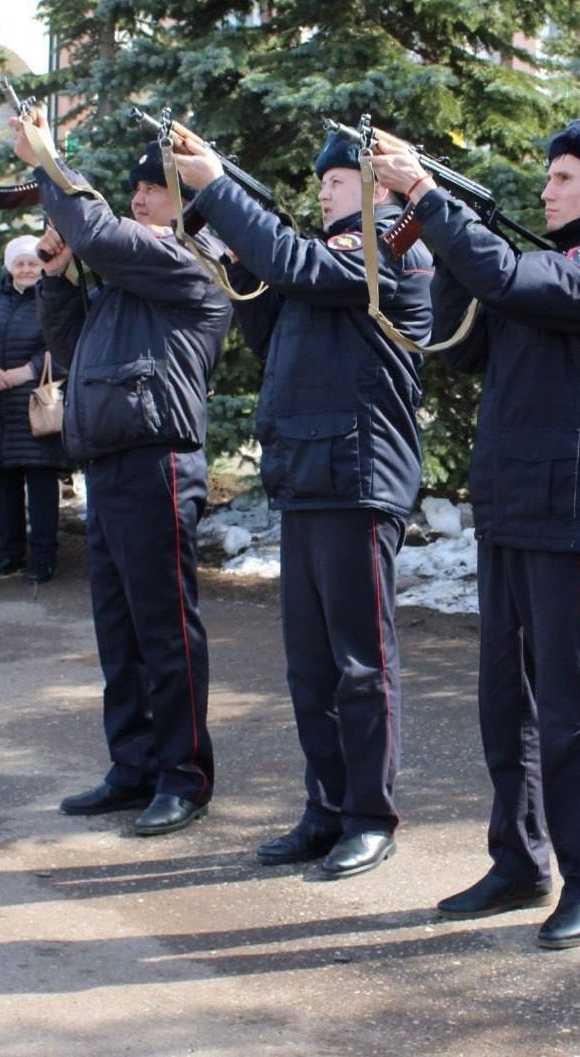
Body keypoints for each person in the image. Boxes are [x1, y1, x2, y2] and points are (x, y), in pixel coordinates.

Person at [369, 117, 580, 950]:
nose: (546, 190)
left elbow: (510, 276)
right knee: (506, 703)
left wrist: (428, 194)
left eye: (562, 178)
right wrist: (435, 231)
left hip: (563, 506)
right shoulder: (550, 267)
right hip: (508, 501)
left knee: (567, 708)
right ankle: (519, 860)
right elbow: (465, 344)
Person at [172, 129, 434, 879]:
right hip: (313, 472)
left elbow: (296, 265)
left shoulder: (391, 243)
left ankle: (369, 815)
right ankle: (326, 807)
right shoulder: (325, 260)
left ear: (381, 187)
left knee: (359, 663)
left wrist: (219, 188)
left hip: (358, 474)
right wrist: (226, 251)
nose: (323, 191)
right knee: (311, 666)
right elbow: (272, 321)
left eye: (339, 180)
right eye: (321, 182)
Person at [14, 118, 232, 837]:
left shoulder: (192, 259)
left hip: (156, 459)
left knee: (163, 629)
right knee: (119, 628)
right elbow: (73, 346)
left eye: (154, 189)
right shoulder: (129, 281)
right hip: (110, 459)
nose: (139, 199)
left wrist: (48, 163)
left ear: (189, 202)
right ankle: (134, 765)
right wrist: (55, 276)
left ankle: (184, 776)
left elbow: (101, 235)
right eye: (135, 189)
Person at [0, 234, 66, 583]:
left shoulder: (53, 297)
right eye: (19, 263)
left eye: (32, 263)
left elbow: (66, 342)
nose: (26, 269)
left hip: (35, 403)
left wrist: (28, 370)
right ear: (9, 267)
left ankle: (43, 557)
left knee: (40, 485)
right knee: (3, 483)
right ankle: (9, 554)